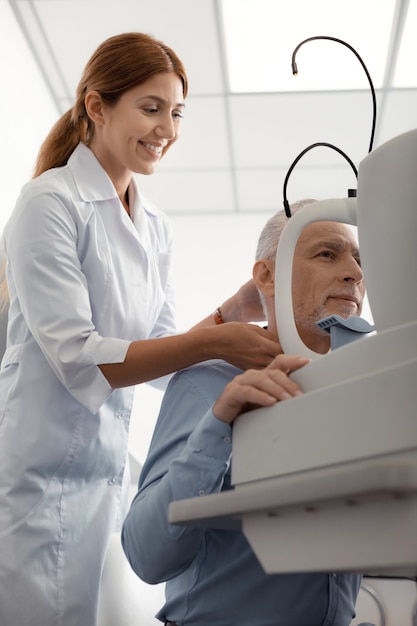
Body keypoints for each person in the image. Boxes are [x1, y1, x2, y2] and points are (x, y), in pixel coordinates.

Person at [0, 32, 280, 626]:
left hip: (105, 485)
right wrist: (214, 339)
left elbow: (161, 355)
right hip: (34, 484)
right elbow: (81, 357)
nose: (167, 129)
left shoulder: (154, 225)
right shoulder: (49, 204)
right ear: (97, 107)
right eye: (150, 109)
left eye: (176, 113)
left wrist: (232, 312)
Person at [122, 199, 366, 626]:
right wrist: (218, 427)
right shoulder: (207, 383)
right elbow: (146, 555)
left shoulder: (365, 392)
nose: (354, 273)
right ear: (267, 277)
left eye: (358, 259)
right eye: (327, 254)